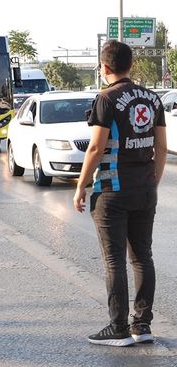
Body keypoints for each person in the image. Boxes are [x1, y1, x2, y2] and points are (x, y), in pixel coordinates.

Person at [73, 40, 167, 347]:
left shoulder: (106, 98)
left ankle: (118, 328)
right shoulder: (152, 98)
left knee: (114, 261)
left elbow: (97, 148)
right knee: (142, 257)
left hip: (112, 191)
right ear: (130, 65)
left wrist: (81, 186)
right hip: (145, 190)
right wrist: (152, 182)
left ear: (105, 67)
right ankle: (142, 325)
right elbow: (161, 147)